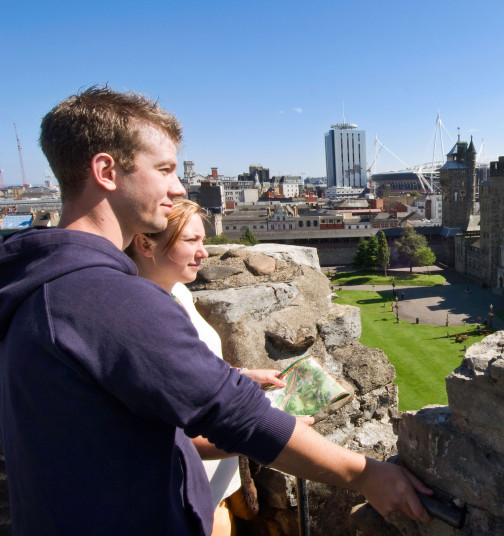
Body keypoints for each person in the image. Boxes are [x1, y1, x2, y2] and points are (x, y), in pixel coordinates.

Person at [0, 86, 431, 536]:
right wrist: (366, 474)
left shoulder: (39, 282)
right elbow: (239, 418)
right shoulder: (106, 297)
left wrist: (229, 377)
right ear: (106, 171)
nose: (178, 187)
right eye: (164, 169)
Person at [125, 198, 297, 535]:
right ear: (145, 244)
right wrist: (269, 431)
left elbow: (189, 372)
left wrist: (240, 377)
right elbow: (169, 436)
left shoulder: (178, 291)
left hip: (215, 480)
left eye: (203, 240)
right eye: (191, 241)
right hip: (182, 493)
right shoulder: (136, 317)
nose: (204, 253)